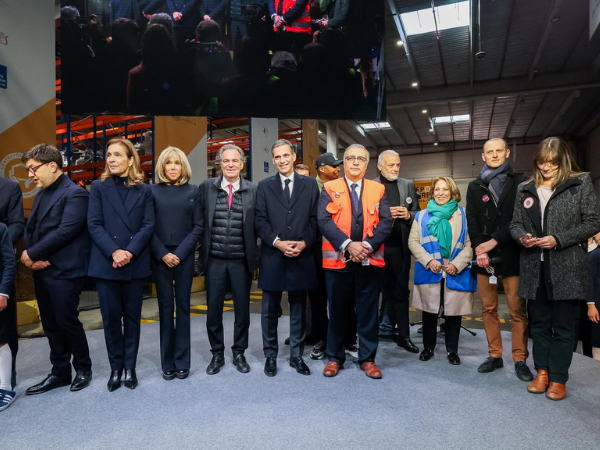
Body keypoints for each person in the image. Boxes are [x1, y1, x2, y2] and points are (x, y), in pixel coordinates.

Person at [510, 137, 600, 401]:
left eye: (552, 162)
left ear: (563, 161)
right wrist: (522, 237)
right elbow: (515, 223)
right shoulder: (525, 187)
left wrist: (558, 239)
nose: (546, 167)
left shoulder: (580, 183)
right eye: (541, 162)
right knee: (538, 325)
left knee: (563, 327)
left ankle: (559, 378)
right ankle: (542, 372)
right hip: (534, 268)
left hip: (567, 268)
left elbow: (593, 222)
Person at [20, 144, 93, 395]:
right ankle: (60, 372)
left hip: (65, 271)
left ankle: (83, 368)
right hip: (42, 269)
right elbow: (31, 229)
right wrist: (33, 259)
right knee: (50, 324)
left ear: (52, 166)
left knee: (66, 321)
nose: (30, 175)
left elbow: (66, 232)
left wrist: (31, 254)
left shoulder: (75, 194)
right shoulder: (41, 194)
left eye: (33, 169)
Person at [318, 144, 392, 379]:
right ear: (344, 162)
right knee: (337, 312)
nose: (356, 162)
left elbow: (386, 222)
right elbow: (324, 220)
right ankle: (335, 358)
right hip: (338, 261)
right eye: (351, 158)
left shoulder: (378, 189)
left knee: (368, 312)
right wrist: (348, 244)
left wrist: (367, 246)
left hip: (370, 262)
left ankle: (368, 359)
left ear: (367, 164)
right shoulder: (330, 187)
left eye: (361, 159)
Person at [88, 138, 155, 392]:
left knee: (133, 321)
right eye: (108, 154)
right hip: (107, 264)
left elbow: (148, 225)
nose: (111, 159)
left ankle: (130, 367)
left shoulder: (144, 190)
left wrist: (129, 251)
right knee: (111, 320)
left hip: (133, 264)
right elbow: (94, 224)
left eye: (117, 154)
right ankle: (116, 368)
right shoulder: (98, 187)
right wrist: (115, 251)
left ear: (130, 160)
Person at [465, 138, 532, 381]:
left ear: (507, 153)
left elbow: (519, 218)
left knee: (517, 310)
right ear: (483, 156)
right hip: (484, 257)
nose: (494, 155)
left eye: (498, 151)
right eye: (489, 152)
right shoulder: (474, 186)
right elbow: (471, 220)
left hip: (512, 253)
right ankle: (495, 354)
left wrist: (494, 241)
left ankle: (520, 359)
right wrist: (479, 250)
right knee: (488, 308)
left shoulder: (521, 182)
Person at [256, 140, 319, 377]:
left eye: (285, 155)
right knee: (269, 310)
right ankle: (270, 356)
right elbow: (260, 220)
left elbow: (315, 219)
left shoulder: (311, 185)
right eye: (277, 157)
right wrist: (277, 242)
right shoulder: (264, 186)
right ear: (273, 160)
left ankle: (296, 356)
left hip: (301, 255)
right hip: (273, 255)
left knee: (298, 309)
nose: (281, 160)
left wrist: (305, 242)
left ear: (294, 156)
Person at [199, 144, 258, 375]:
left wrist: (256, 256)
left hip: (241, 262)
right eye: (226, 161)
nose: (230, 165)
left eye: (235, 161)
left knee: (242, 311)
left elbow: (259, 226)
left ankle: (239, 352)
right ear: (219, 164)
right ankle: (216, 354)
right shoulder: (206, 188)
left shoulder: (253, 190)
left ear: (242, 164)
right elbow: (199, 223)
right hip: (214, 260)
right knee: (213, 311)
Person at [408, 177, 475, 366]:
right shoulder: (421, 216)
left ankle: (452, 350)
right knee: (429, 311)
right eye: (437, 189)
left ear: (452, 192)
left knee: (453, 312)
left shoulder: (464, 214)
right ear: (432, 192)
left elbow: (470, 244)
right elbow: (413, 242)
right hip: (430, 268)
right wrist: (429, 260)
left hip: (455, 269)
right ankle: (428, 347)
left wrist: (458, 263)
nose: (440, 193)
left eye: (445, 189)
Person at [150, 147, 203, 380]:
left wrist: (180, 253)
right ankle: (167, 362)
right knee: (164, 309)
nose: (172, 167)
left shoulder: (194, 191)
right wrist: (162, 253)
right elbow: (146, 227)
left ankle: (182, 361)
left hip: (184, 255)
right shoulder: (151, 192)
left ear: (183, 166)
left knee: (182, 308)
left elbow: (198, 226)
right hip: (159, 257)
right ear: (162, 167)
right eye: (168, 163)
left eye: (177, 163)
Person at [374, 150, 420, 353]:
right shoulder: (371, 186)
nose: (395, 168)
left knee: (401, 292)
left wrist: (408, 215)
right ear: (380, 166)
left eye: (398, 165)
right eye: (391, 165)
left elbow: (418, 212)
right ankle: (368, 335)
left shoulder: (407, 185)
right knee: (372, 293)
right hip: (375, 249)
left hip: (400, 248)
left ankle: (404, 336)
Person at [307, 153, 344, 360]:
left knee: (341, 298)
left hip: (341, 250)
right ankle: (321, 337)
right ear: (322, 168)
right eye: (334, 166)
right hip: (316, 252)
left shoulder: (343, 187)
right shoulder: (311, 188)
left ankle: (346, 338)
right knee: (318, 298)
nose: (338, 169)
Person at [0, 177, 24, 390]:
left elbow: (17, 224)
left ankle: (6, 379)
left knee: (4, 327)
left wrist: (1, 243)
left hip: (1, 264)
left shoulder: (9, 187)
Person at [0, 223, 17, 411]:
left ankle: (5, 388)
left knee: (1, 340)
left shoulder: (1, 229)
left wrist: (3, 292)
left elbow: (9, 262)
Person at [588, 232, 600, 361]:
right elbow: (589, 281)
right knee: (597, 338)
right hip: (597, 303)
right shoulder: (595, 255)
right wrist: (591, 305)